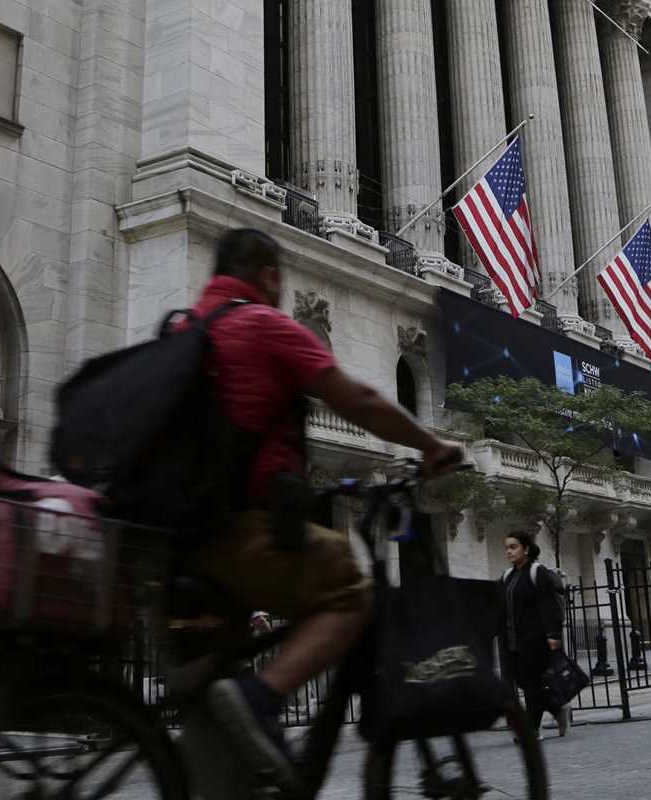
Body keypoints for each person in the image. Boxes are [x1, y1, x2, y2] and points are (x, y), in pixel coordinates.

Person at [190, 228, 463, 786]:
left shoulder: (187, 328)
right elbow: (357, 398)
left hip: (183, 542)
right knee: (351, 588)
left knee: (212, 689)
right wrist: (430, 444)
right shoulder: (261, 325)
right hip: (239, 531)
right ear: (269, 276)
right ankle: (263, 697)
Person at [498, 532, 568, 740]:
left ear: (526, 548)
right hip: (512, 641)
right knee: (523, 683)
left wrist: (553, 634)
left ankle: (532, 730)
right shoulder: (507, 576)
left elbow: (549, 605)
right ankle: (557, 709)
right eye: (507, 548)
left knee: (531, 685)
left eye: (513, 547)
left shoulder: (537, 572)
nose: (509, 551)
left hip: (535, 639)